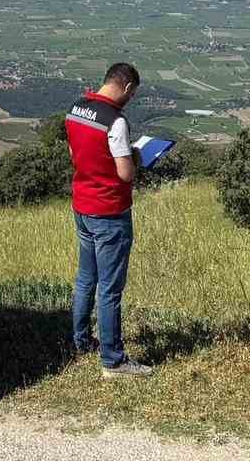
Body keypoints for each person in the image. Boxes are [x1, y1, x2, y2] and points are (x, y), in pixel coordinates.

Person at [64, 62, 152, 378]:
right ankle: (113, 360)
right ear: (127, 87)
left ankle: (81, 340)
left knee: (86, 278)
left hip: (82, 205)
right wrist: (138, 156)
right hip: (109, 212)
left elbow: (80, 154)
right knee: (110, 288)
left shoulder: (76, 109)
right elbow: (125, 173)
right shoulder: (115, 121)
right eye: (133, 93)